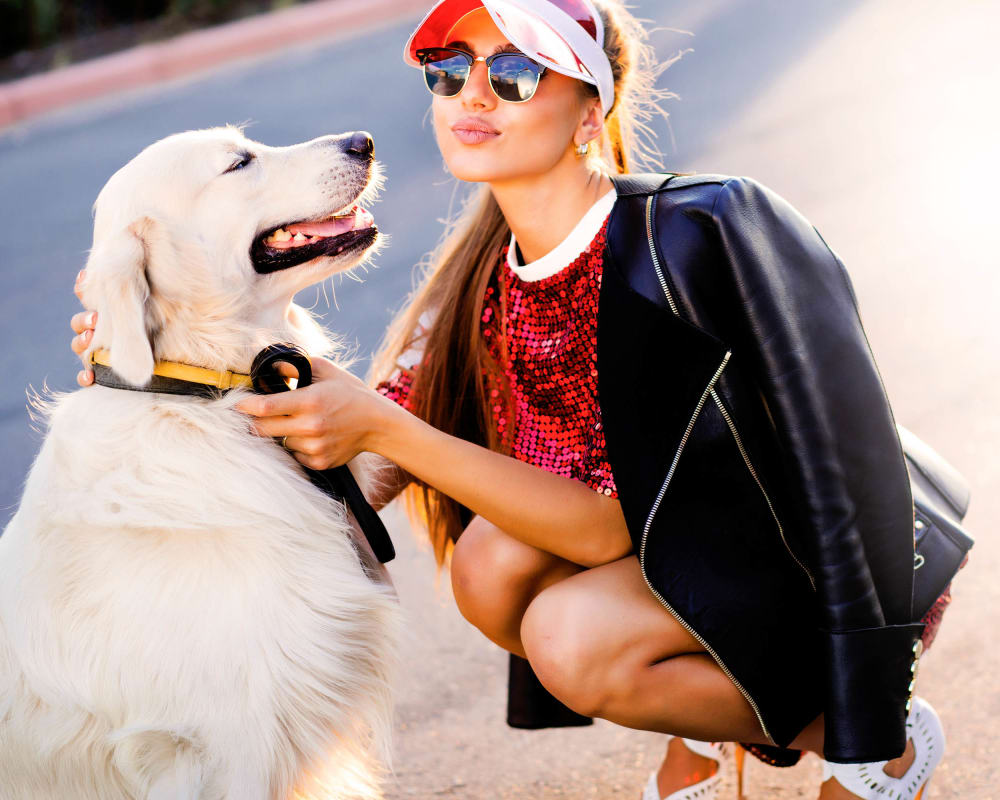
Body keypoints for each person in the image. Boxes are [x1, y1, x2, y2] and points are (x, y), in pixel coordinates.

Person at [70, 1, 955, 797]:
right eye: (449, 73)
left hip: (827, 565)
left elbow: (846, 456)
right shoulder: (472, 289)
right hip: (679, 566)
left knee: (569, 637)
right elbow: (355, 470)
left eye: (517, 72)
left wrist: (868, 691)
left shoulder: (705, 229)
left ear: (589, 111)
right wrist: (157, 365)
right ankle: (702, 716)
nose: (472, 97)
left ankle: (874, 744)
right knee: (489, 566)